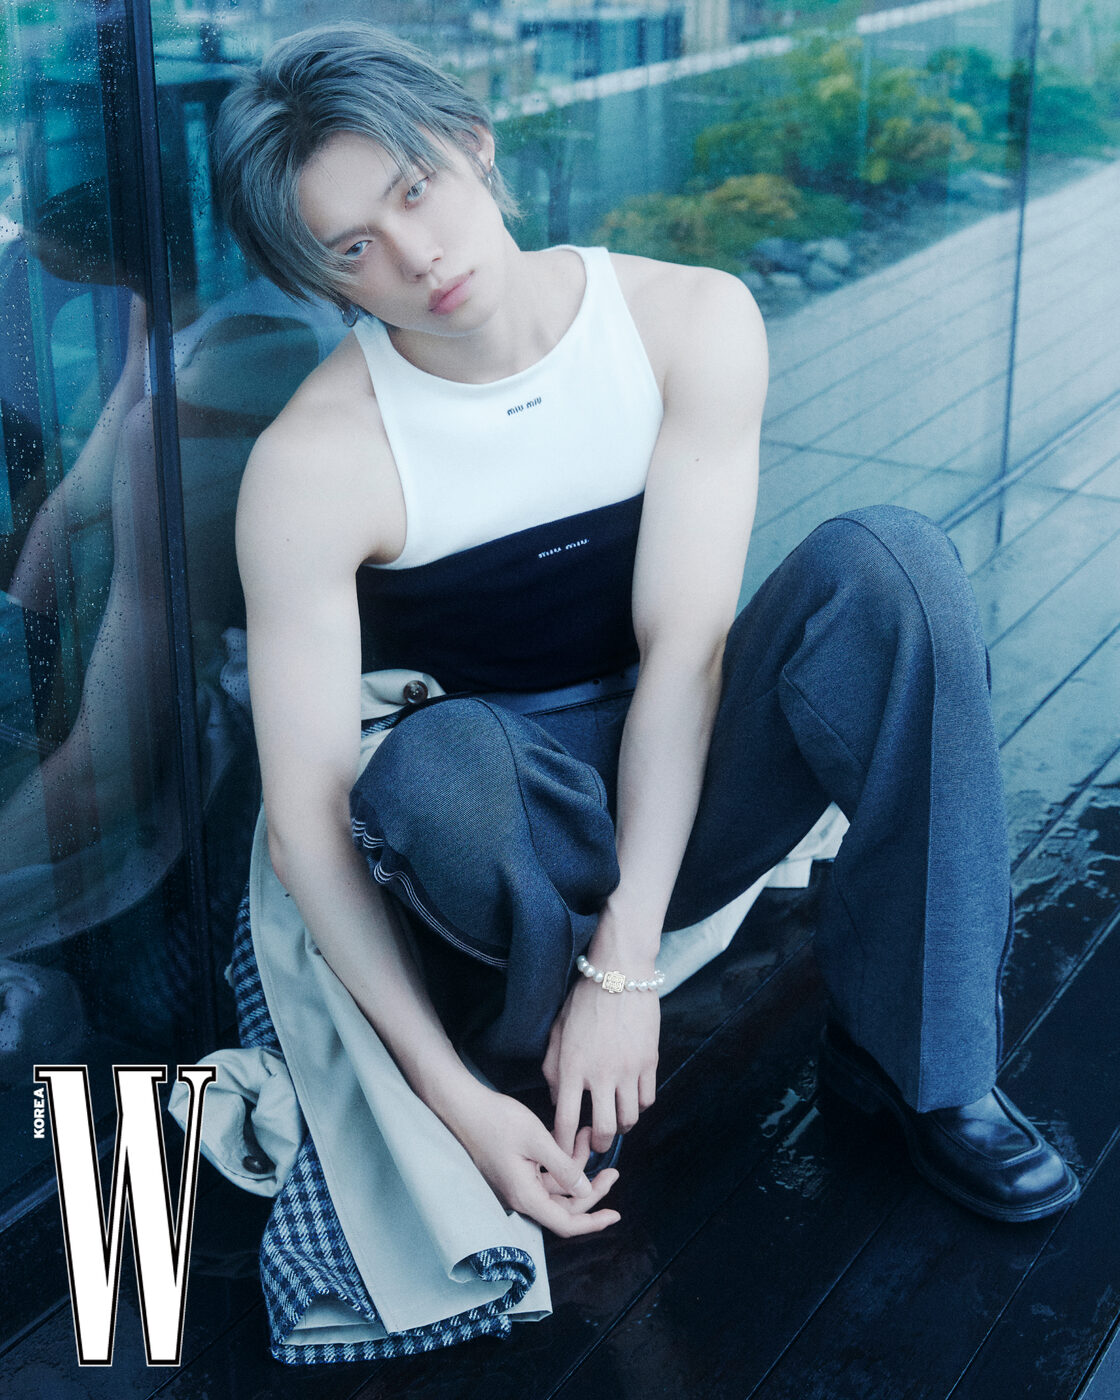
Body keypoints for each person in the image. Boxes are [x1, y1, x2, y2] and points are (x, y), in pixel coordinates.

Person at [211, 22, 1079, 1254]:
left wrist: (626, 973)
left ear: (474, 142)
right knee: (439, 761)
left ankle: (920, 1063)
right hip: (498, 836)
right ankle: (518, 1052)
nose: (417, 254)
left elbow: (686, 656)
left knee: (894, 567)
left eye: (415, 189)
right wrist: (454, 1104)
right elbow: (305, 824)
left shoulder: (685, 319)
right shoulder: (314, 459)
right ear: (324, 279)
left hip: (686, 766)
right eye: (355, 246)